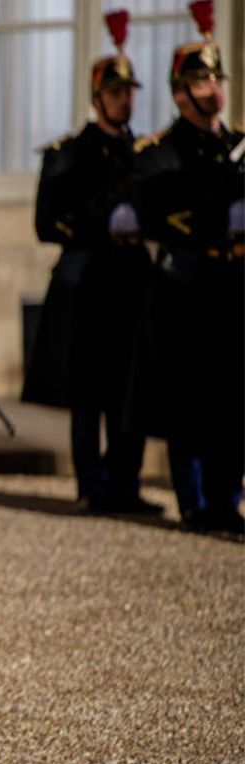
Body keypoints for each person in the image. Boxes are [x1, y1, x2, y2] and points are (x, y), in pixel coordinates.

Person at [22, 10, 161, 516]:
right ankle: (93, 485)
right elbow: (47, 224)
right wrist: (102, 223)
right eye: (117, 92)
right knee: (89, 393)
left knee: (132, 388)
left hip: (133, 280)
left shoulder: (147, 154)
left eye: (131, 93)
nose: (126, 101)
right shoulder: (69, 154)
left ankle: (126, 483)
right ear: (98, 97)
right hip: (88, 286)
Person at [131, 0, 243, 534]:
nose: (213, 91)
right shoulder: (160, 152)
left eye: (216, 79)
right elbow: (161, 213)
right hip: (188, 292)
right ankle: (197, 501)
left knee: (233, 399)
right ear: (180, 93)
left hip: (234, 287)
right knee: (192, 402)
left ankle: (227, 499)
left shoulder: (237, 144)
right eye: (201, 83)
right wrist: (224, 205)